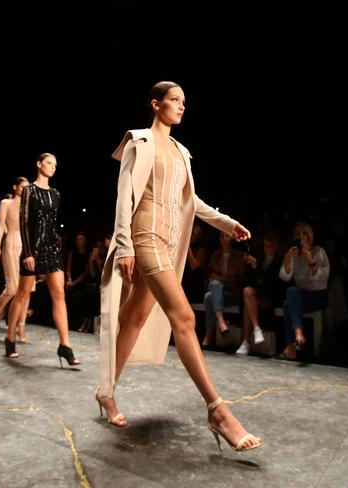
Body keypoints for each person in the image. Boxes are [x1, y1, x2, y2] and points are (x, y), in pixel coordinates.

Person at [98, 81, 260, 451]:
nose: (181, 106)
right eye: (174, 100)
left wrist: (226, 222)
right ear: (156, 104)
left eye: (184, 102)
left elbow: (193, 201)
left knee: (135, 319)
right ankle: (218, 411)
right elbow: (125, 197)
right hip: (144, 238)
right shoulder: (138, 143)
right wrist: (123, 244)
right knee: (184, 319)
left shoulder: (181, 152)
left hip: (170, 245)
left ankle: (105, 391)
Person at [3, 153, 80, 367]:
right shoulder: (29, 190)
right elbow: (24, 222)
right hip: (33, 248)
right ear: (38, 164)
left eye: (55, 164)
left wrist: (56, 244)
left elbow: (52, 224)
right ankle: (10, 338)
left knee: (59, 293)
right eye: (49, 163)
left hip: (51, 248)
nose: (53, 167)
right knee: (23, 294)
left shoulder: (56, 193)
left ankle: (65, 345)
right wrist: (28, 252)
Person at [278, 222, 330, 360]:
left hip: (319, 295)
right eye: (297, 234)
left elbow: (323, 276)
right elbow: (285, 276)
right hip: (301, 295)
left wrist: (309, 259)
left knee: (287, 304)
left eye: (303, 233)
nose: (300, 237)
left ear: (309, 236)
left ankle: (291, 346)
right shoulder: (295, 254)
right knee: (291, 291)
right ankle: (298, 334)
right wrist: (288, 259)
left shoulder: (319, 252)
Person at [0, 177, 29, 337]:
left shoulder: (28, 205)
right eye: (22, 186)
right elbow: (0, 225)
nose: (24, 189)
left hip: (26, 246)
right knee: (12, 288)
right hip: (10, 242)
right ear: (15, 187)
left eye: (27, 187)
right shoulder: (6, 203)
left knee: (26, 289)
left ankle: (21, 326)